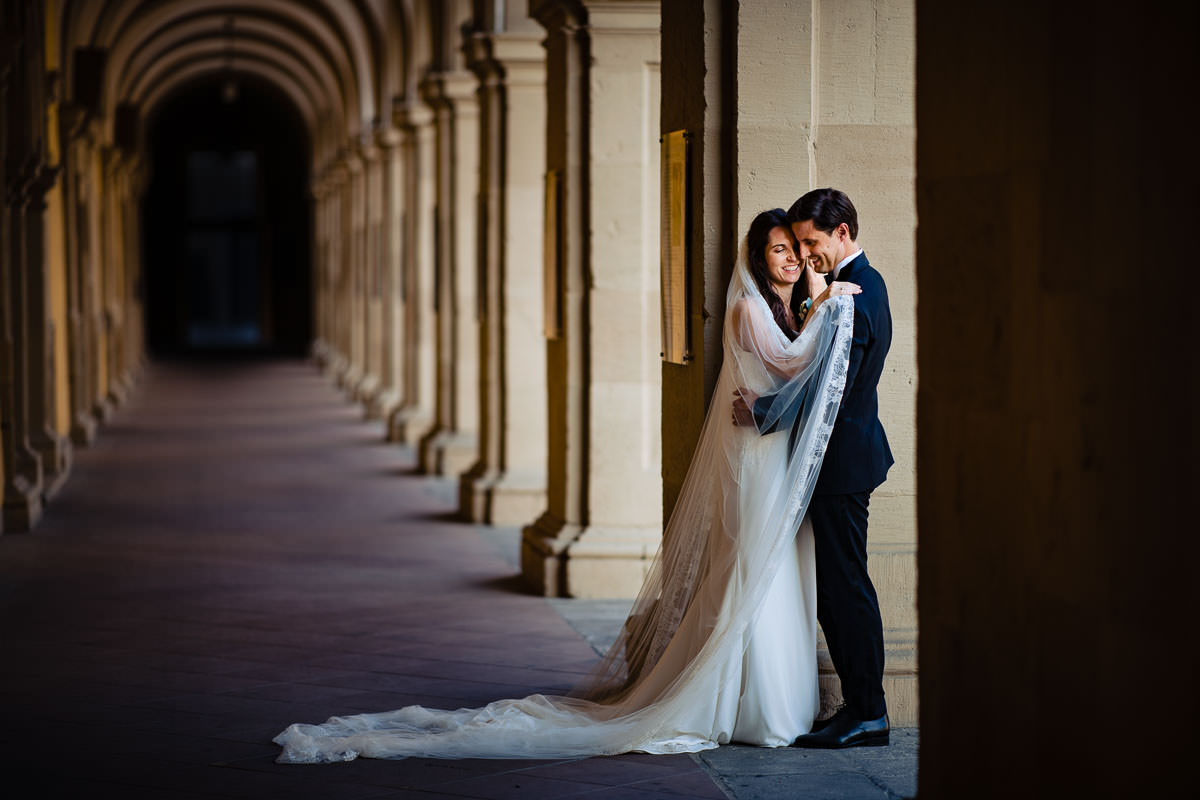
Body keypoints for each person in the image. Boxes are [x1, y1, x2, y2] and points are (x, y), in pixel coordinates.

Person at [273, 209, 860, 764]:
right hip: (753, 466)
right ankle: (746, 705)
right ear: (758, 258)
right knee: (754, 568)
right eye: (780, 251)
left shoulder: (787, 308)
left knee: (779, 569)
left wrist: (811, 302)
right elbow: (789, 366)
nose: (792, 259)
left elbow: (787, 375)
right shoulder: (748, 310)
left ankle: (772, 701)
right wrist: (828, 301)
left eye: (798, 250)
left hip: (773, 455)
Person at [738, 188, 894, 749]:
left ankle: (867, 711)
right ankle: (863, 707)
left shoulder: (854, 295)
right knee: (839, 586)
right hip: (841, 459)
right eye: (798, 244)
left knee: (845, 589)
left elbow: (829, 388)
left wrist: (761, 410)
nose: (805, 255)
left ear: (844, 232)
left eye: (812, 242)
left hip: (843, 464)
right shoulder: (846, 289)